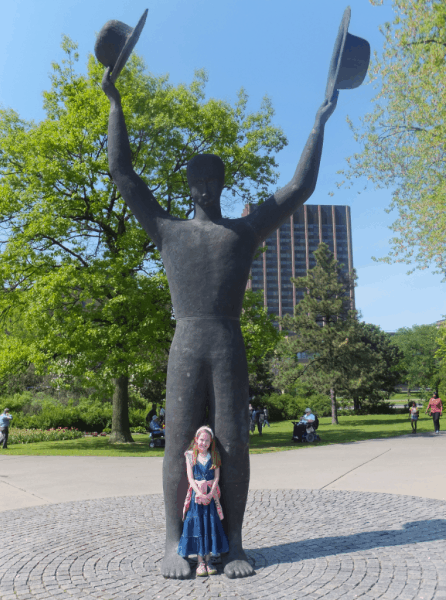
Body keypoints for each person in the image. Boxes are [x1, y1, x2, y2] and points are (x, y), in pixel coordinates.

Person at [102, 56, 338, 580]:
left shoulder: (243, 231)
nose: (205, 187)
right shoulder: (168, 229)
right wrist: (114, 101)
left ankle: (233, 545)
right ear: (188, 186)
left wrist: (319, 121)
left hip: (227, 341)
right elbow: (123, 174)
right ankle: (172, 541)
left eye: (212, 179)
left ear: (222, 184)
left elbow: (299, 188)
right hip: (187, 339)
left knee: (234, 440)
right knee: (178, 438)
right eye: (197, 180)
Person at [178, 426, 229, 576]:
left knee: (210, 526)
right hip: (197, 498)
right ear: (196, 439)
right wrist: (199, 493)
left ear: (210, 442)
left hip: (211, 498)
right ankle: (200, 561)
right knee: (199, 527)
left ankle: (209, 560)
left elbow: (217, 477)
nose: (203, 443)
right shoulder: (190, 456)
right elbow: (190, 478)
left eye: (207, 440)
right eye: (201, 440)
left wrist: (211, 493)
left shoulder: (214, 456)